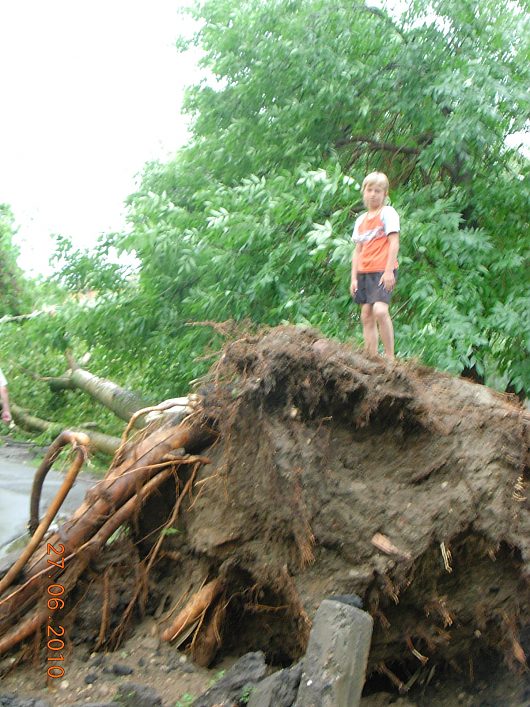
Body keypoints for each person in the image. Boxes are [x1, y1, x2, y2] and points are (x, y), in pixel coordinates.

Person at [350, 171, 400, 360]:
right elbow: (357, 250)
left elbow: (394, 242)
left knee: (380, 310)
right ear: (364, 192)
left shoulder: (387, 213)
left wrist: (389, 272)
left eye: (377, 191)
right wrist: (353, 278)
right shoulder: (361, 220)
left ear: (385, 194)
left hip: (382, 269)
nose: (373, 194)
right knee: (366, 314)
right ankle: (371, 357)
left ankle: (390, 358)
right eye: (369, 190)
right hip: (364, 270)